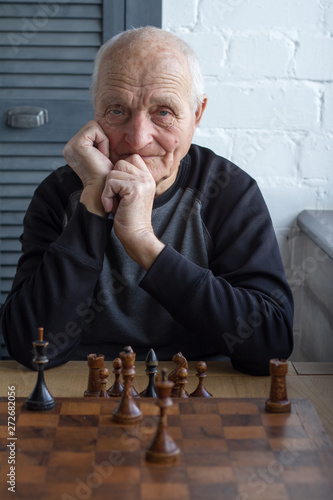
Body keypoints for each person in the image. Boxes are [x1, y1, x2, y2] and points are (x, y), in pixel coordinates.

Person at [0, 27, 293, 375]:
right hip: (85, 384)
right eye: (117, 110)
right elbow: (32, 349)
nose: (138, 138)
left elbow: (271, 346)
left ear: (197, 114)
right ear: (95, 110)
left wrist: (143, 242)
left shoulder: (230, 193)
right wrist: (93, 198)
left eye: (163, 112)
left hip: (196, 390)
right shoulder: (59, 194)